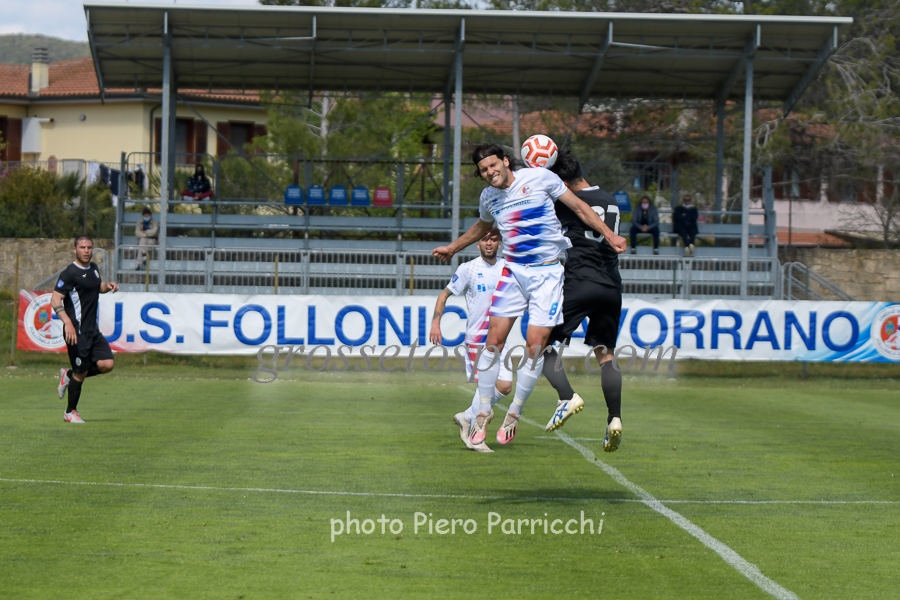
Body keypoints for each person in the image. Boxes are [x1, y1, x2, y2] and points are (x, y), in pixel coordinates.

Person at [433, 143, 627, 448]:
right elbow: (482, 226)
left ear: (506, 161)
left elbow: (579, 207)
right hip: (513, 271)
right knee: (493, 342)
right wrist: (453, 248)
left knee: (536, 347)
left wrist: (610, 234)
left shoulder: (540, 178)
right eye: (484, 170)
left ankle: (515, 412)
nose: (490, 172)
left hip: (547, 275)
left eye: (493, 165)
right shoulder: (488, 197)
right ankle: (482, 412)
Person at [540, 148, 624, 452]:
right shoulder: (611, 199)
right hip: (611, 285)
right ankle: (614, 418)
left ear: (562, 182)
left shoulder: (568, 203)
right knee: (606, 356)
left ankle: (567, 396)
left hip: (580, 283)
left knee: (540, 345)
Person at [429, 232, 514, 453]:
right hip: (478, 339)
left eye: (493, 239)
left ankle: (466, 417)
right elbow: (444, 295)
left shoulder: (507, 267)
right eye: (485, 239)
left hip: (501, 338)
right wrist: (435, 323)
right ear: (478, 244)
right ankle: (476, 438)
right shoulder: (468, 269)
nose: (489, 243)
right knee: (485, 390)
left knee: (505, 386)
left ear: (499, 243)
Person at [53, 235, 119, 423]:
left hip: (92, 331)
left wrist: (108, 286)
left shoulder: (93, 268)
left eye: (89, 247)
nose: (86, 251)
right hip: (76, 332)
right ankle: (70, 412)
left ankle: (69, 374)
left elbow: (98, 286)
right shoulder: (69, 273)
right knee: (81, 372)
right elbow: (55, 299)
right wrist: (67, 323)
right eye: (82, 247)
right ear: (75, 249)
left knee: (107, 364)